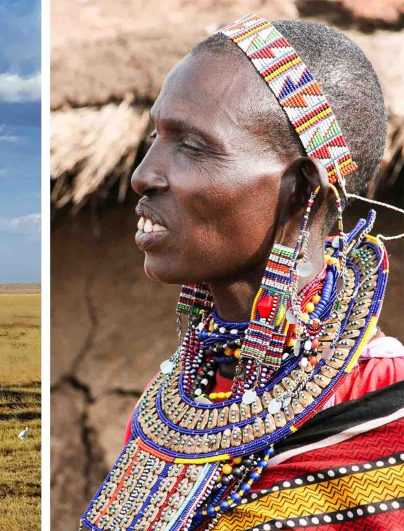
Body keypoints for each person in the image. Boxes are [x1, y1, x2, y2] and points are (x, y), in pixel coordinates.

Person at [81, 14, 404, 530]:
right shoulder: (176, 404)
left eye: (191, 146)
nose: (142, 175)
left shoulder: (387, 414)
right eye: (155, 138)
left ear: (303, 190)